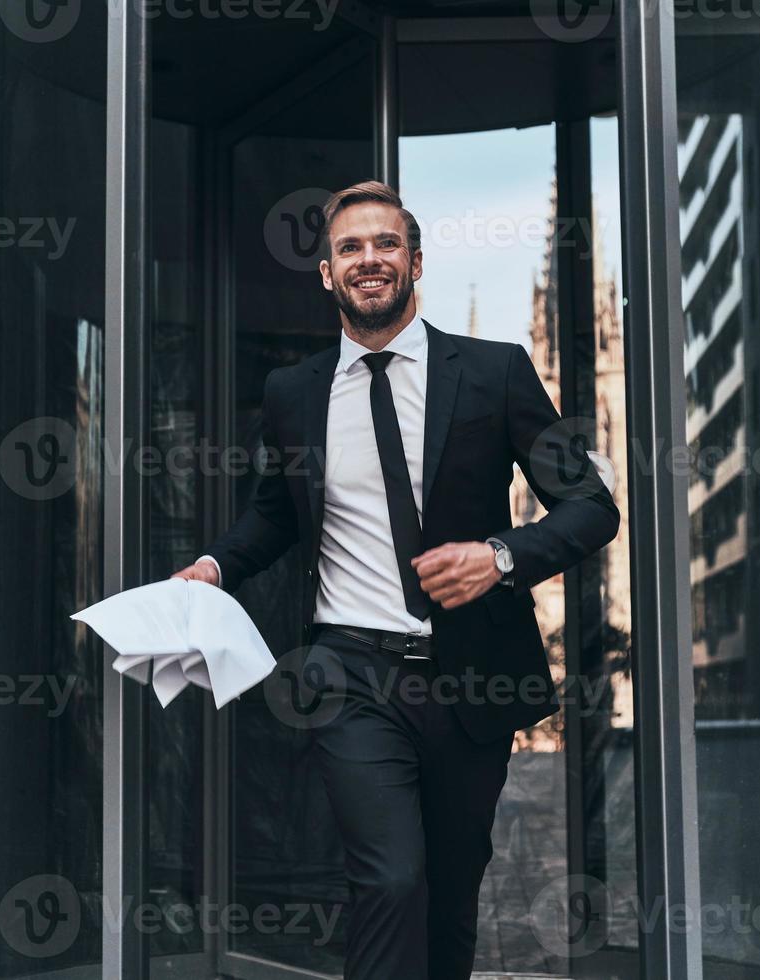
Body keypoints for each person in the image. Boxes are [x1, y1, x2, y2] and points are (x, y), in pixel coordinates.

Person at [173, 181, 619, 980]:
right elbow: (274, 516)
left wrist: (502, 556)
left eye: (385, 245)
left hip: (469, 677)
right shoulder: (293, 394)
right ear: (327, 273)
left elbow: (591, 505)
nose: (368, 259)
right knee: (388, 876)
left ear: (415, 262)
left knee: (450, 891)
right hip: (349, 674)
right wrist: (214, 566)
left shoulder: (493, 372)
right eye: (350, 248)